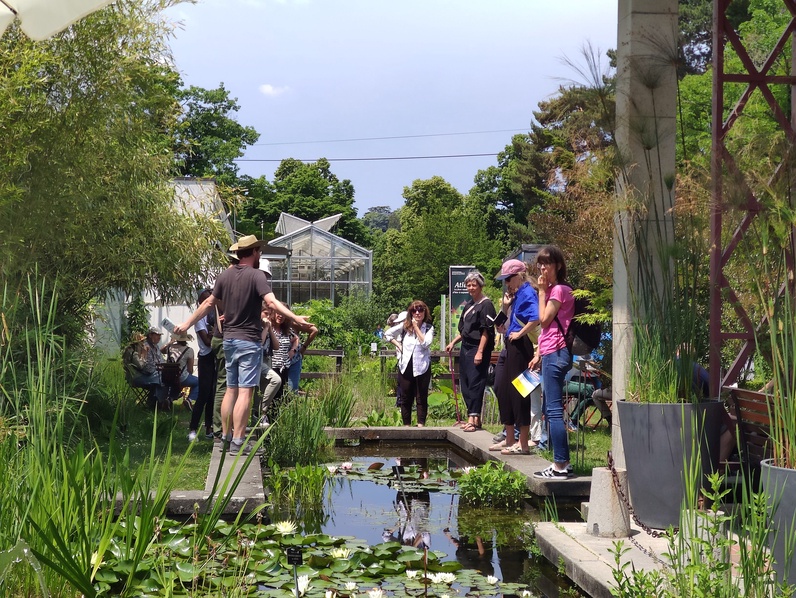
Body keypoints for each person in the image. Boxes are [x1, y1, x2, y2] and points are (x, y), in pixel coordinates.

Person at [174, 234, 313, 456]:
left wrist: (186, 323)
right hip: (249, 341)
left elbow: (208, 303)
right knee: (246, 392)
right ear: (254, 252)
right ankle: (238, 441)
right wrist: (295, 318)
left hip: (228, 341)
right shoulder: (257, 276)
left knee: (230, 389)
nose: (260, 255)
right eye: (259, 251)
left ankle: (226, 437)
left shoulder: (224, 276)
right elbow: (271, 302)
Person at [530, 245, 575, 479]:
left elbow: (544, 321)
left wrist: (540, 292)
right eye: (540, 264)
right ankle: (563, 462)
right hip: (552, 353)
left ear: (557, 265)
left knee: (554, 411)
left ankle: (559, 465)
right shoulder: (558, 290)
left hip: (556, 353)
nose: (542, 268)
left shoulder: (558, 291)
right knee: (552, 409)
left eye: (547, 263)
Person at [493, 259, 539, 455]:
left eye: (509, 278)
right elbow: (506, 322)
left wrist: (519, 334)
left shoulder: (528, 292)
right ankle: (510, 437)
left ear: (519, 275)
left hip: (522, 346)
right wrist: (505, 308)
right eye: (505, 279)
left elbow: (536, 318)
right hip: (510, 346)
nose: (507, 283)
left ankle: (523, 443)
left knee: (520, 391)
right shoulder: (516, 294)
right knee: (503, 389)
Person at [445, 270, 496, 432]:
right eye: (469, 285)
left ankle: (473, 420)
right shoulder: (469, 304)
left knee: (476, 382)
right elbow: (464, 330)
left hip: (478, 347)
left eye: (474, 285)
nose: (471, 287)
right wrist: (453, 342)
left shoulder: (486, 304)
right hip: (465, 347)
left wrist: (480, 352)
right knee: (465, 383)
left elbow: (486, 331)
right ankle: (474, 418)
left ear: (480, 286)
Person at [393, 301, 434, 427]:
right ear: (410, 313)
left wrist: (416, 327)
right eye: (414, 311)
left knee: (421, 396)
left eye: (420, 310)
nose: (417, 313)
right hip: (406, 366)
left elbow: (425, 343)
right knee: (406, 396)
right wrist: (398, 344)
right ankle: (406, 425)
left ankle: (420, 424)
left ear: (424, 312)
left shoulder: (428, 328)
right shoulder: (404, 327)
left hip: (421, 366)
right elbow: (388, 334)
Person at [188, 289, 216, 441]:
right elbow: (207, 341)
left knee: (213, 393)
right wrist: (214, 333)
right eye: (206, 302)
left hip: (216, 356)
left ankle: (209, 427)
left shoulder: (216, 315)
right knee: (203, 394)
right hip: (206, 357)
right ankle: (193, 428)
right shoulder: (200, 318)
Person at [129, 327, 169, 409]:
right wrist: (161, 368)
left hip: (152, 375)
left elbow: (161, 360)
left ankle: (155, 403)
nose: (159, 337)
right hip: (142, 376)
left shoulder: (156, 347)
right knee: (164, 378)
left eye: (160, 335)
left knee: (166, 377)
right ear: (150, 335)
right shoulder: (144, 347)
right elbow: (147, 368)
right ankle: (160, 403)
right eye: (157, 335)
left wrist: (165, 367)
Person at [256, 303, 282, 427]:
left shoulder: (267, 327)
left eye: (270, 314)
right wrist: (265, 329)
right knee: (276, 380)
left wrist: (270, 329)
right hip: (257, 361)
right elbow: (259, 343)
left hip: (266, 359)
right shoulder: (256, 327)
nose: (268, 317)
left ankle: (258, 415)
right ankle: (262, 411)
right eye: (266, 313)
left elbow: (276, 346)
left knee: (261, 389)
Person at [285, 304, 318, 392]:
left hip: (294, 360)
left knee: (291, 389)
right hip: (278, 359)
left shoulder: (293, 323)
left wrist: (304, 347)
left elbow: (314, 330)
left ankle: (291, 405)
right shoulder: (274, 322)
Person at [162, 331, 199, 407]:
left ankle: (170, 399)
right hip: (181, 377)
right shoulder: (189, 350)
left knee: (176, 382)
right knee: (198, 382)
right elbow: (190, 370)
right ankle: (190, 399)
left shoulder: (170, 348)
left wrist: (170, 342)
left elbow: (161, 350)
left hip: (168, 377)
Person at [385, 311, 408, 407]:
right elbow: (388, 335)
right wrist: (399, 345)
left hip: (408, 358)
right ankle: (400, 401)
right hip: (402, 358)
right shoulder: (399, 330)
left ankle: (404, 401)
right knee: (401, 380)